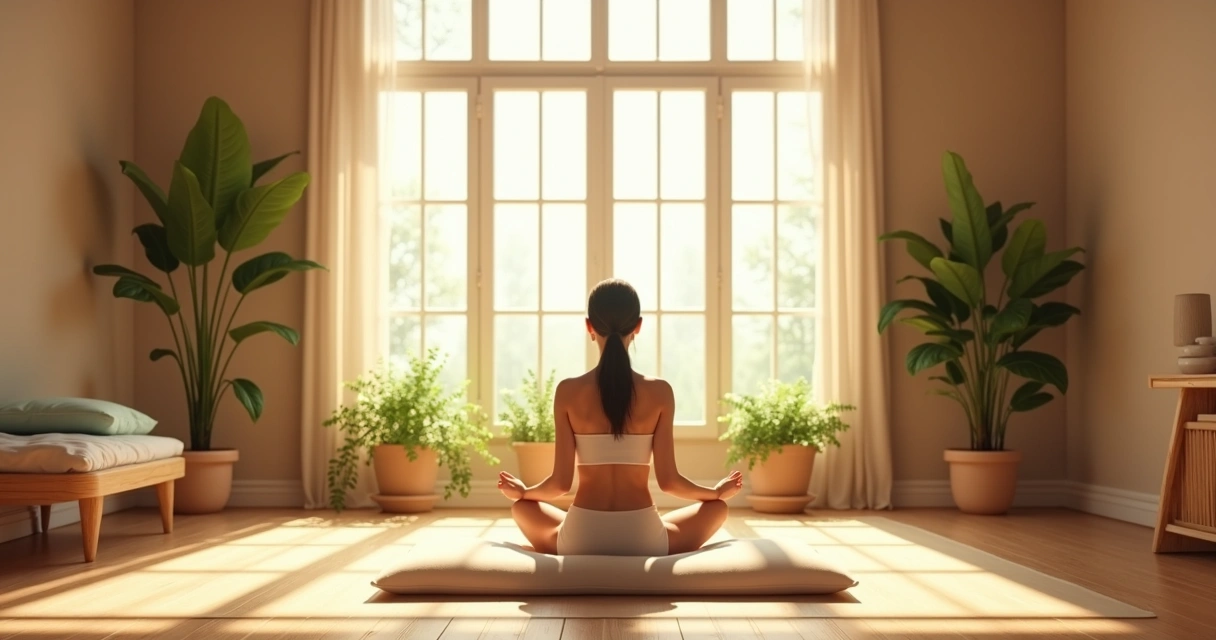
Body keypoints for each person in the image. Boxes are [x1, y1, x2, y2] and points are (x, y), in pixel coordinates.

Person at [497, 278, 744, 556]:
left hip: (580, 538)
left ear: (589, 326)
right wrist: (715, 493)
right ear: (637, 327)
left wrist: (524, 492)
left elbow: (560, 485)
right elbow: (669, 482)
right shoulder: (660, 392)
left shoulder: (567, 391)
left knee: (522, 507)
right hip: (644, 538)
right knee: (717, 508)